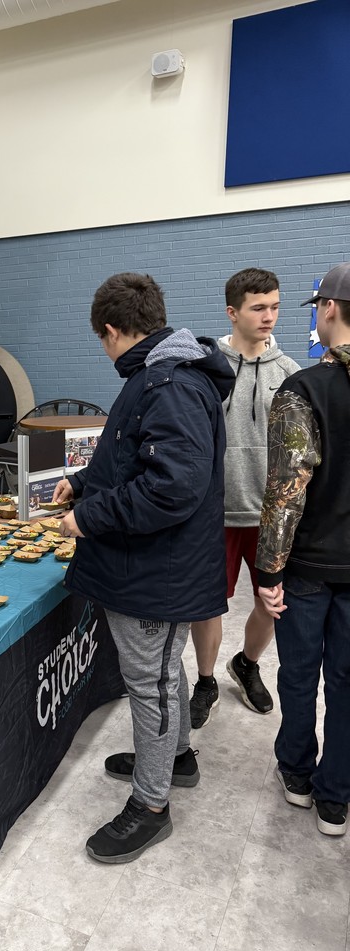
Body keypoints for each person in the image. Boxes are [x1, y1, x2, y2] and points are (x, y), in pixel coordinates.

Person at [52, 272, 234, 863]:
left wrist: (90, 517)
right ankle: (175, 756)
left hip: (152, 569)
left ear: (111, 330)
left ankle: (151, 805)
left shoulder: (168, 383)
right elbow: (133, 458)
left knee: (150, 683)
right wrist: (82, 483)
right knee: (164, 671)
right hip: (154, 566)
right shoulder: (158, 376)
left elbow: (170, 488)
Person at [257, 261, 350, 837]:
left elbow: (287, 489)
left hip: (310, 563)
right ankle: (336, 797)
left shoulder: (303, 389)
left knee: (298, 672)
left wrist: (268, 571)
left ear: (329, 309)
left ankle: (297, 771)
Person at [189, 269, 301, 728]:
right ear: (233, 312)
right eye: (259, 308)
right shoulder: (205, 365)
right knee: (207, 604)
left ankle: (248, 664)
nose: (269, 316)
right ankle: (205, 679)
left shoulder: (291, 373)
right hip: (214, 511)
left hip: (270, 516)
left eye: (274, 306)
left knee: (271, 601)